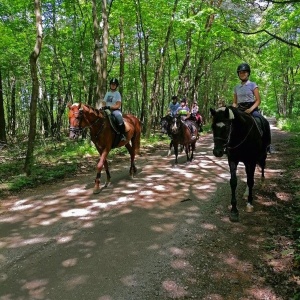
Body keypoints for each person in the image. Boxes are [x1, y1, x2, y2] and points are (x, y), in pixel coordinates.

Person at [233, 63, 272, 153]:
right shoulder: (236, 87)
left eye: (244, 72)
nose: (242, 74)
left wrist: (250, 109)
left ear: (248, 73)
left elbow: (258, 100)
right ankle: (228, 147)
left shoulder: (253, 85)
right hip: (240, 109)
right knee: (229, 122)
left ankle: (267, 145)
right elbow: (235, 102)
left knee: (264, 121)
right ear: (238, 74)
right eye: (240, 72)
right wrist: (233, 109)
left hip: (251, 108)